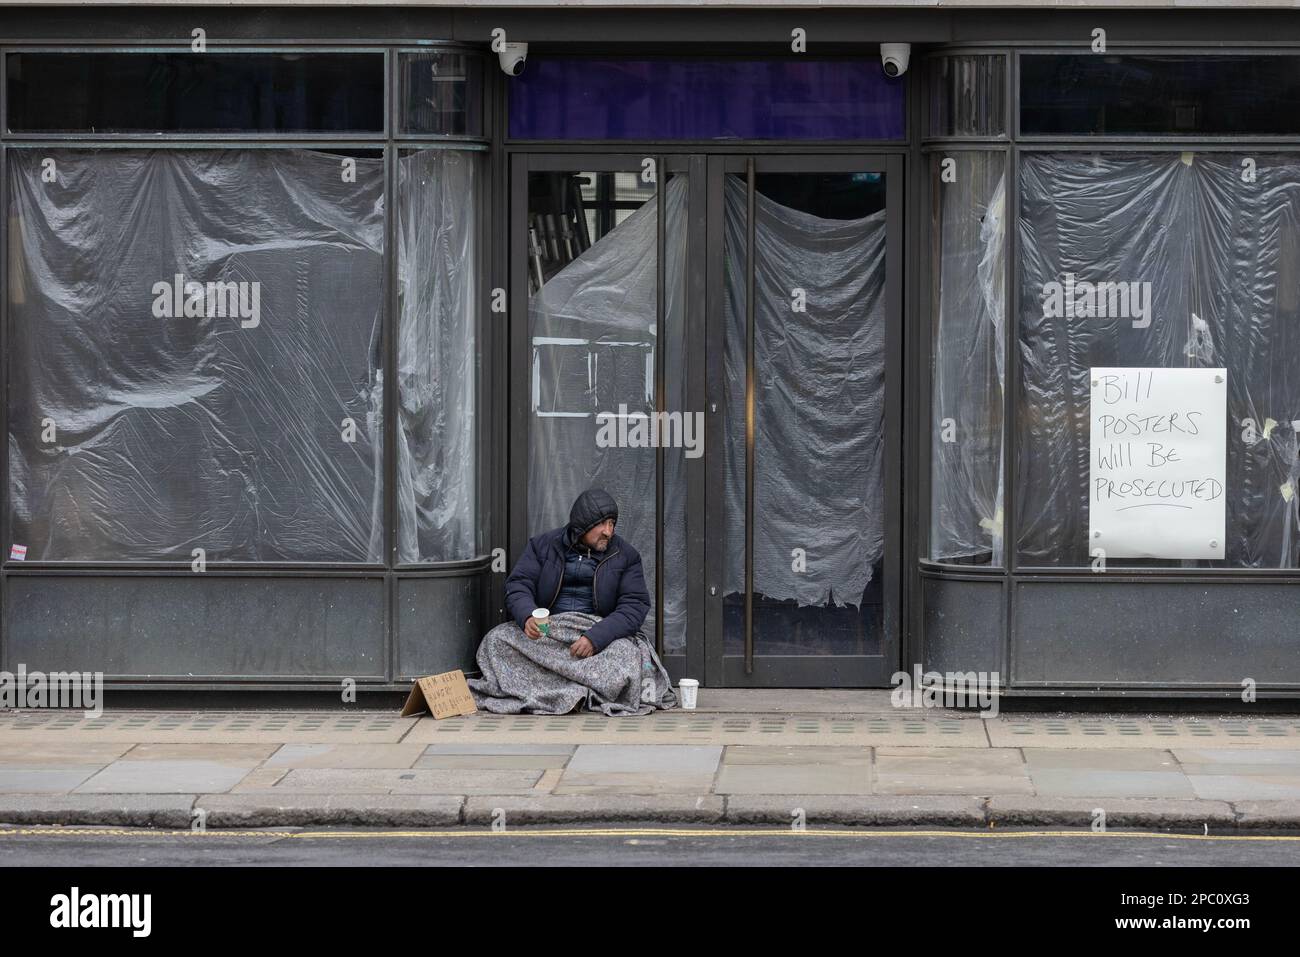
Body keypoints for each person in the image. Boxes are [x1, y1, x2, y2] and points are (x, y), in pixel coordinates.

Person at [466, 488, 676, 715]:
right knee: (495, 641)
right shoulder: (542, 546)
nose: (608, 531)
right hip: (550, 633)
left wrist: (596, 638)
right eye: (602, 524)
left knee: (629, 656)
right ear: (582, 526)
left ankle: (555, 690)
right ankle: (574, 690)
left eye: (612, 523)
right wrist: (527, 615)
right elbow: (519, 585)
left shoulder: (626, 555)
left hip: (596, 633)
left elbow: (634, 606)